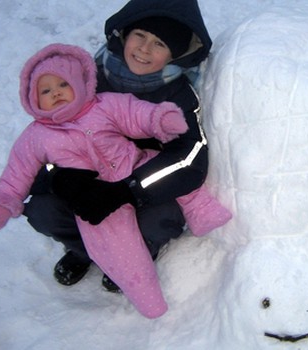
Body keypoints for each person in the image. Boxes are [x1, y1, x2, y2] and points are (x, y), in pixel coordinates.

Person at [0, 43, 229, 318]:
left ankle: (205, 214)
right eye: (45, 91)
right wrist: (5, 200)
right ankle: (138, 291)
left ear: (78, 85)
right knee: (119, 247)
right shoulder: (35, 136)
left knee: (174, 180)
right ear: (32, 100)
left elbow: (135, 113)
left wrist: (160, 119)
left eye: (62, 84)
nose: (55, 93)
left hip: (133, 166)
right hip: (91, 196)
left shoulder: (102, 105)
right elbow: (18, 170)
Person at [21, 0, 231, 292]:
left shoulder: (179, 96)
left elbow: (190, 157)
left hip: (138, 188)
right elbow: (48, 135)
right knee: (42, 210)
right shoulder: (87, 79)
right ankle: (85, 249)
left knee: (165, 218)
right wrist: (59, 177)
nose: (144, 49)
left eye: (159, 44)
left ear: (176, 54)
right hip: (90, 182)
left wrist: (129, 190)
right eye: (140, 35)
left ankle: (135, 256)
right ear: (124, 33)